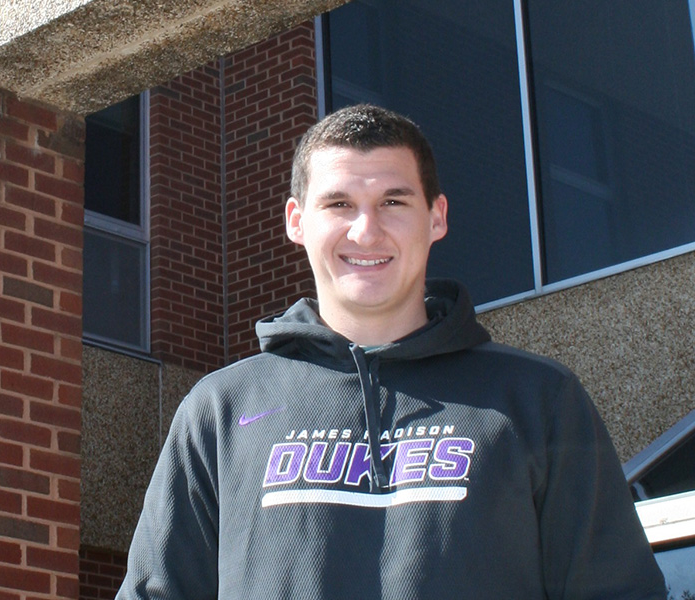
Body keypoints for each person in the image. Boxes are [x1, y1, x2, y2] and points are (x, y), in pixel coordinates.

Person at [116, 104, 666, 599]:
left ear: (437, 217)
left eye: (393, 201)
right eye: (338, 203)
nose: (365, 230)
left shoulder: (537, 400)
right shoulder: (221, 410)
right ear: (297, 222)